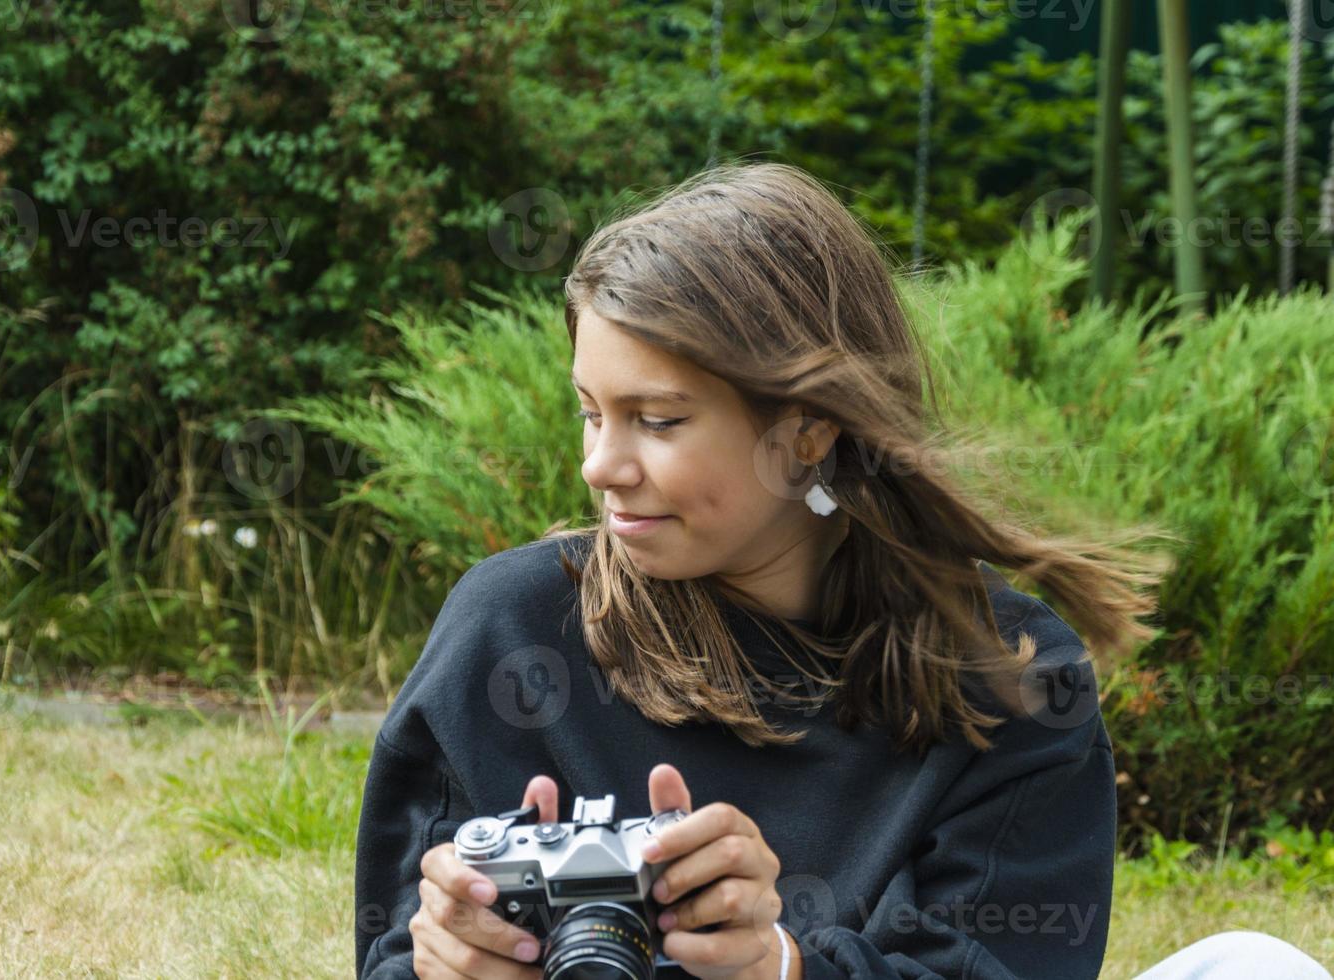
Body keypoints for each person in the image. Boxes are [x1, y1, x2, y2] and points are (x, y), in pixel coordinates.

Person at [353, 162, 1330, 979]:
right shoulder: (514, 628)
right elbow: (391, 948)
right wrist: (449, 953)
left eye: (657, 419)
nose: (599, 465)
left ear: (807, 427)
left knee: (1252, 964)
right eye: (589, 410)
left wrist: (779, 961)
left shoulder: (1007, 668)